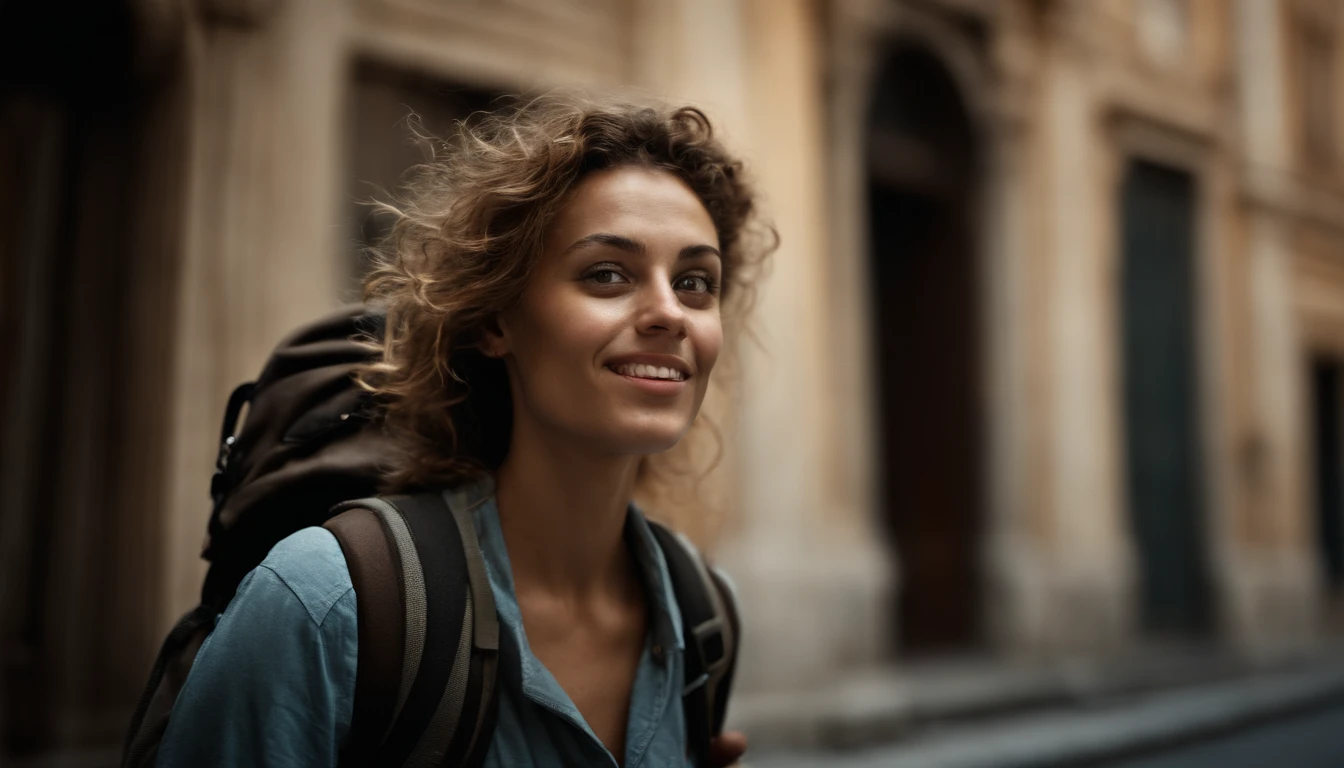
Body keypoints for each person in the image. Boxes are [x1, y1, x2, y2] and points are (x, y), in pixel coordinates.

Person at [156, 94, 775, 767]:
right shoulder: (326, 602)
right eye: (606, 274)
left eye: (694, 282)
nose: (669, 313)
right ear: (495, 321)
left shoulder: (705, 616)